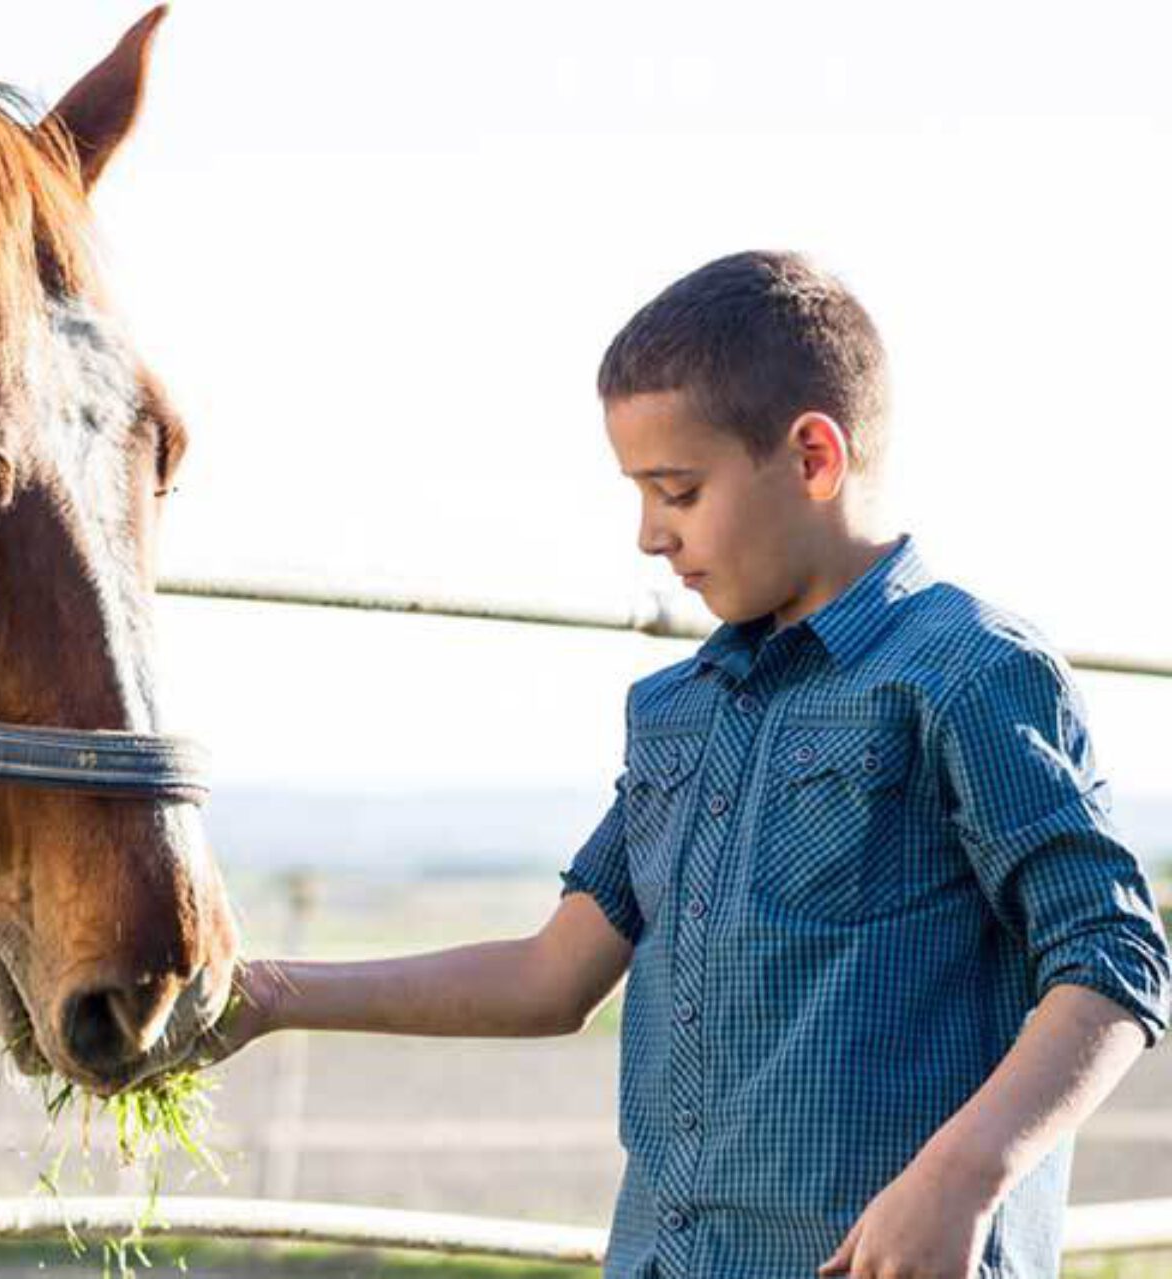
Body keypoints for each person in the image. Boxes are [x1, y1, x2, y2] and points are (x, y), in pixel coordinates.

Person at [197, 250, 1172, 1278]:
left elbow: (1113, 960)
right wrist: (263, 994)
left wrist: (962, 1173)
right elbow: (549, 975)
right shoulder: (679, 710)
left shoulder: (968, 671)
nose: (649, 534)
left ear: (813, 457)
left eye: (678, 489)